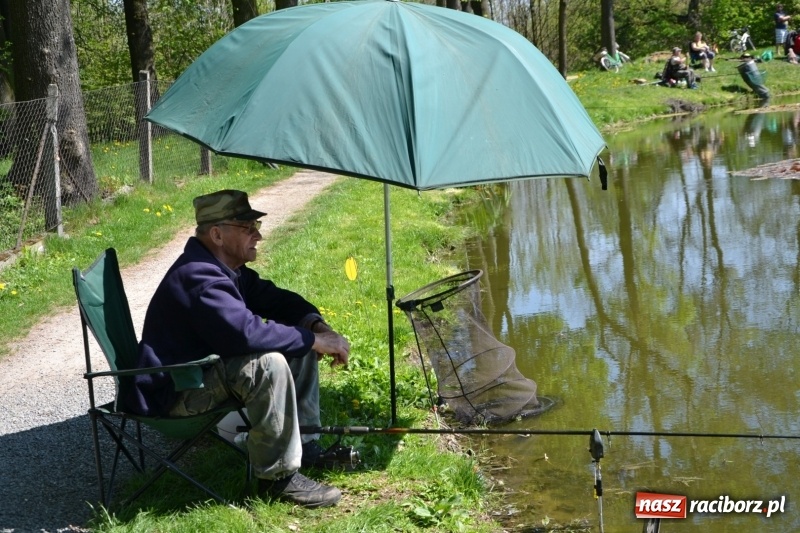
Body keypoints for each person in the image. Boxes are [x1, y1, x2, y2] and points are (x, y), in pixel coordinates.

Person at [129, 189, 351, 508]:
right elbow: (245, 334)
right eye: (247, 228)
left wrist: (314, 326)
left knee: (294, 344)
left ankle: (305, 446)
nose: (258, 235)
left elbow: (274, 299)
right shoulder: (199, 277)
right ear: (217, 234)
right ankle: (277, 479)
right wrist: (315, 341)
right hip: (177, 390)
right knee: (268, 364)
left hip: (198, 373)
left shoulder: (222, 268)